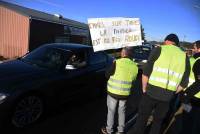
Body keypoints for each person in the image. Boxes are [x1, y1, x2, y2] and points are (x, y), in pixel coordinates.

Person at [131, 33, 190, 134]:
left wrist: (144, 88)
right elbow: (184, 83)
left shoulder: (159, 49)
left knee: (142, 119)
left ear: (167, 41)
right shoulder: (184, 57)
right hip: (167, 97)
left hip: (150, 92)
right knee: (157, 122)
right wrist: (172, 92)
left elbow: (145, 72)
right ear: (176, 43)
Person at [101, 47, 138, 134]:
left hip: (113, 92)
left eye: (121, 52)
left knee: (111, 111)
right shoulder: (135, 66)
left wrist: (113, 64)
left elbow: (107, 75)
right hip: (125, 94)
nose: (121, 53)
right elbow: (133, 79)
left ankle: (109, 130)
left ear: (124, 54)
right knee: (122, 111)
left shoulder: (116, 62)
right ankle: (120, 131)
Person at [179, 40, 200, 134]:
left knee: (189, 121)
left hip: (193, 98)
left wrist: (186, 94)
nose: (193, 49)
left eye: (195, 47)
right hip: (193, 97)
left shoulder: (198, 61)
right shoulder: (195, 59)